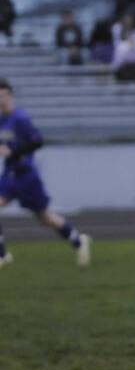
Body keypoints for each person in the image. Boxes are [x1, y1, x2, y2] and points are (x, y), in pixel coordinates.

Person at [0, 78, 91, 270]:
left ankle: (78, 241)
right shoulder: (2, 121)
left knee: (45, 218)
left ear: (11, 96)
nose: (2, 100)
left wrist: (14, 152)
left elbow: (38, 141)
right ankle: (3, 255)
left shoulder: (21, 118)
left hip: (27, 177)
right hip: (9, 175)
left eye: (5, 95)